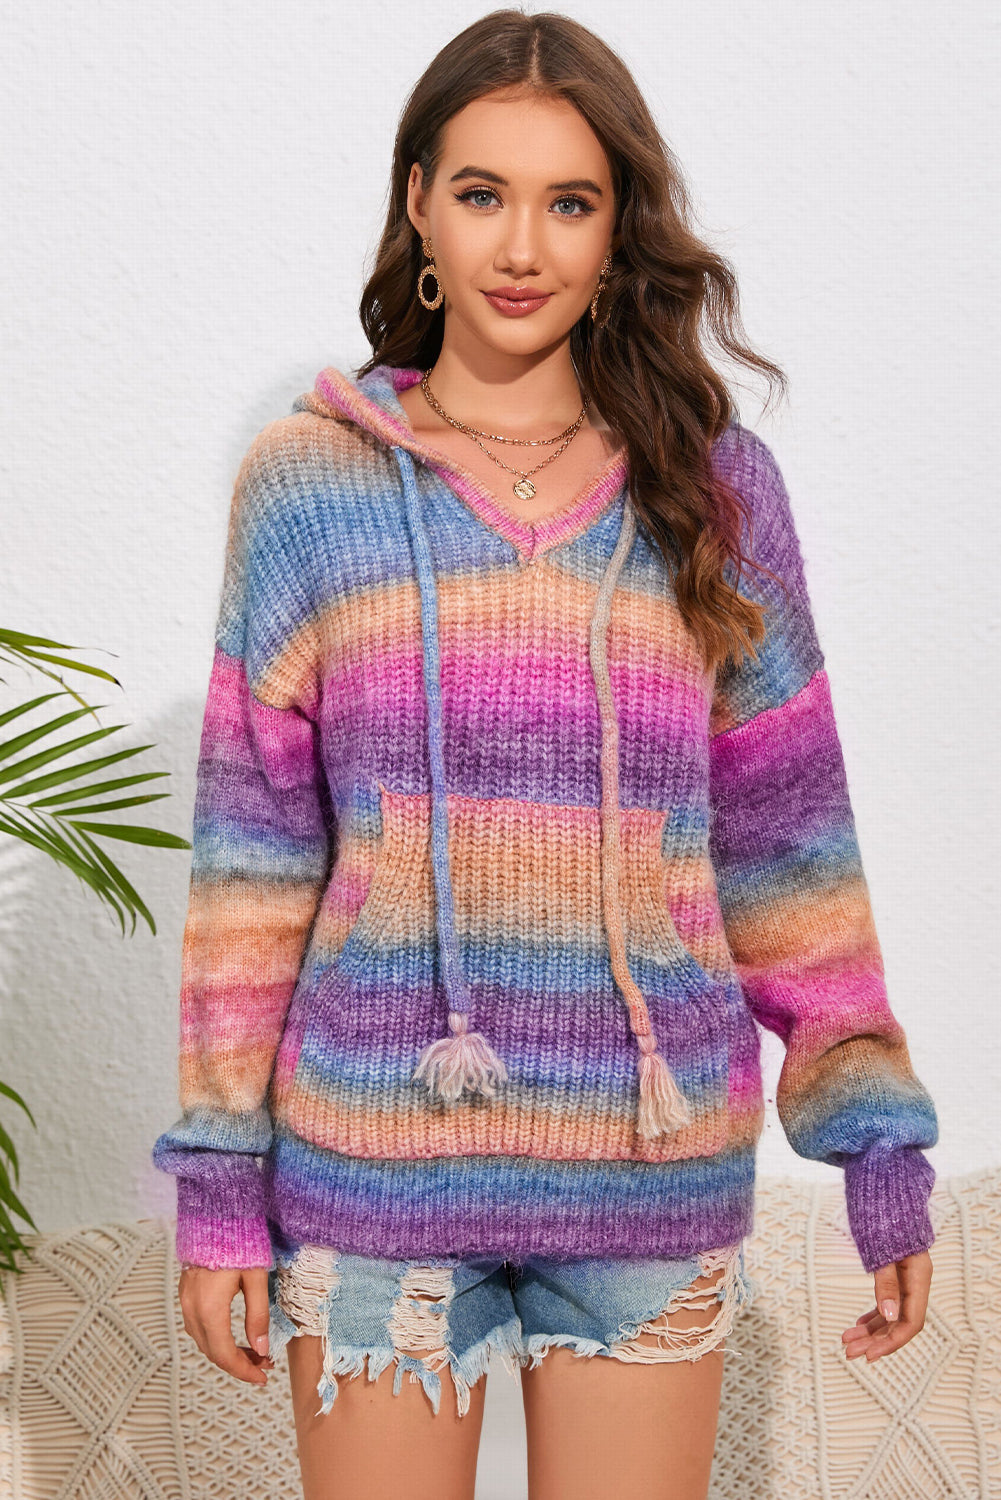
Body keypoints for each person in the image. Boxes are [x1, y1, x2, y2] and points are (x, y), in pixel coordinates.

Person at [151, 10, 939, 1499]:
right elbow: (252, 866)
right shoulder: (309, 486)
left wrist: (874, 1142)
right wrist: (217, 1186)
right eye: (481, 193)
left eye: (569, 202)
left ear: (617, 224)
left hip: (648, 1171)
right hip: (376, 1170)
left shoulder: (714, 489)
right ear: (417, 203)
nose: (522, 247)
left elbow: (789, 840)